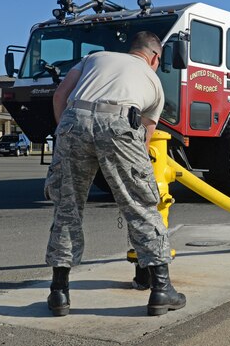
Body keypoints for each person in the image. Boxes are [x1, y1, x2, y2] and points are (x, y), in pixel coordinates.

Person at [43, 30, 185, 317]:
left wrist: (65, 131)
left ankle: (59, 292)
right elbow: (145, 137)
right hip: (121, 122)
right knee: (142, 206)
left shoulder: (93, 58)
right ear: (154, 57)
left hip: (74, 119)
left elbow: (60, 95)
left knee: (67, 208)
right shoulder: (153, 82)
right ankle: (160, 289)